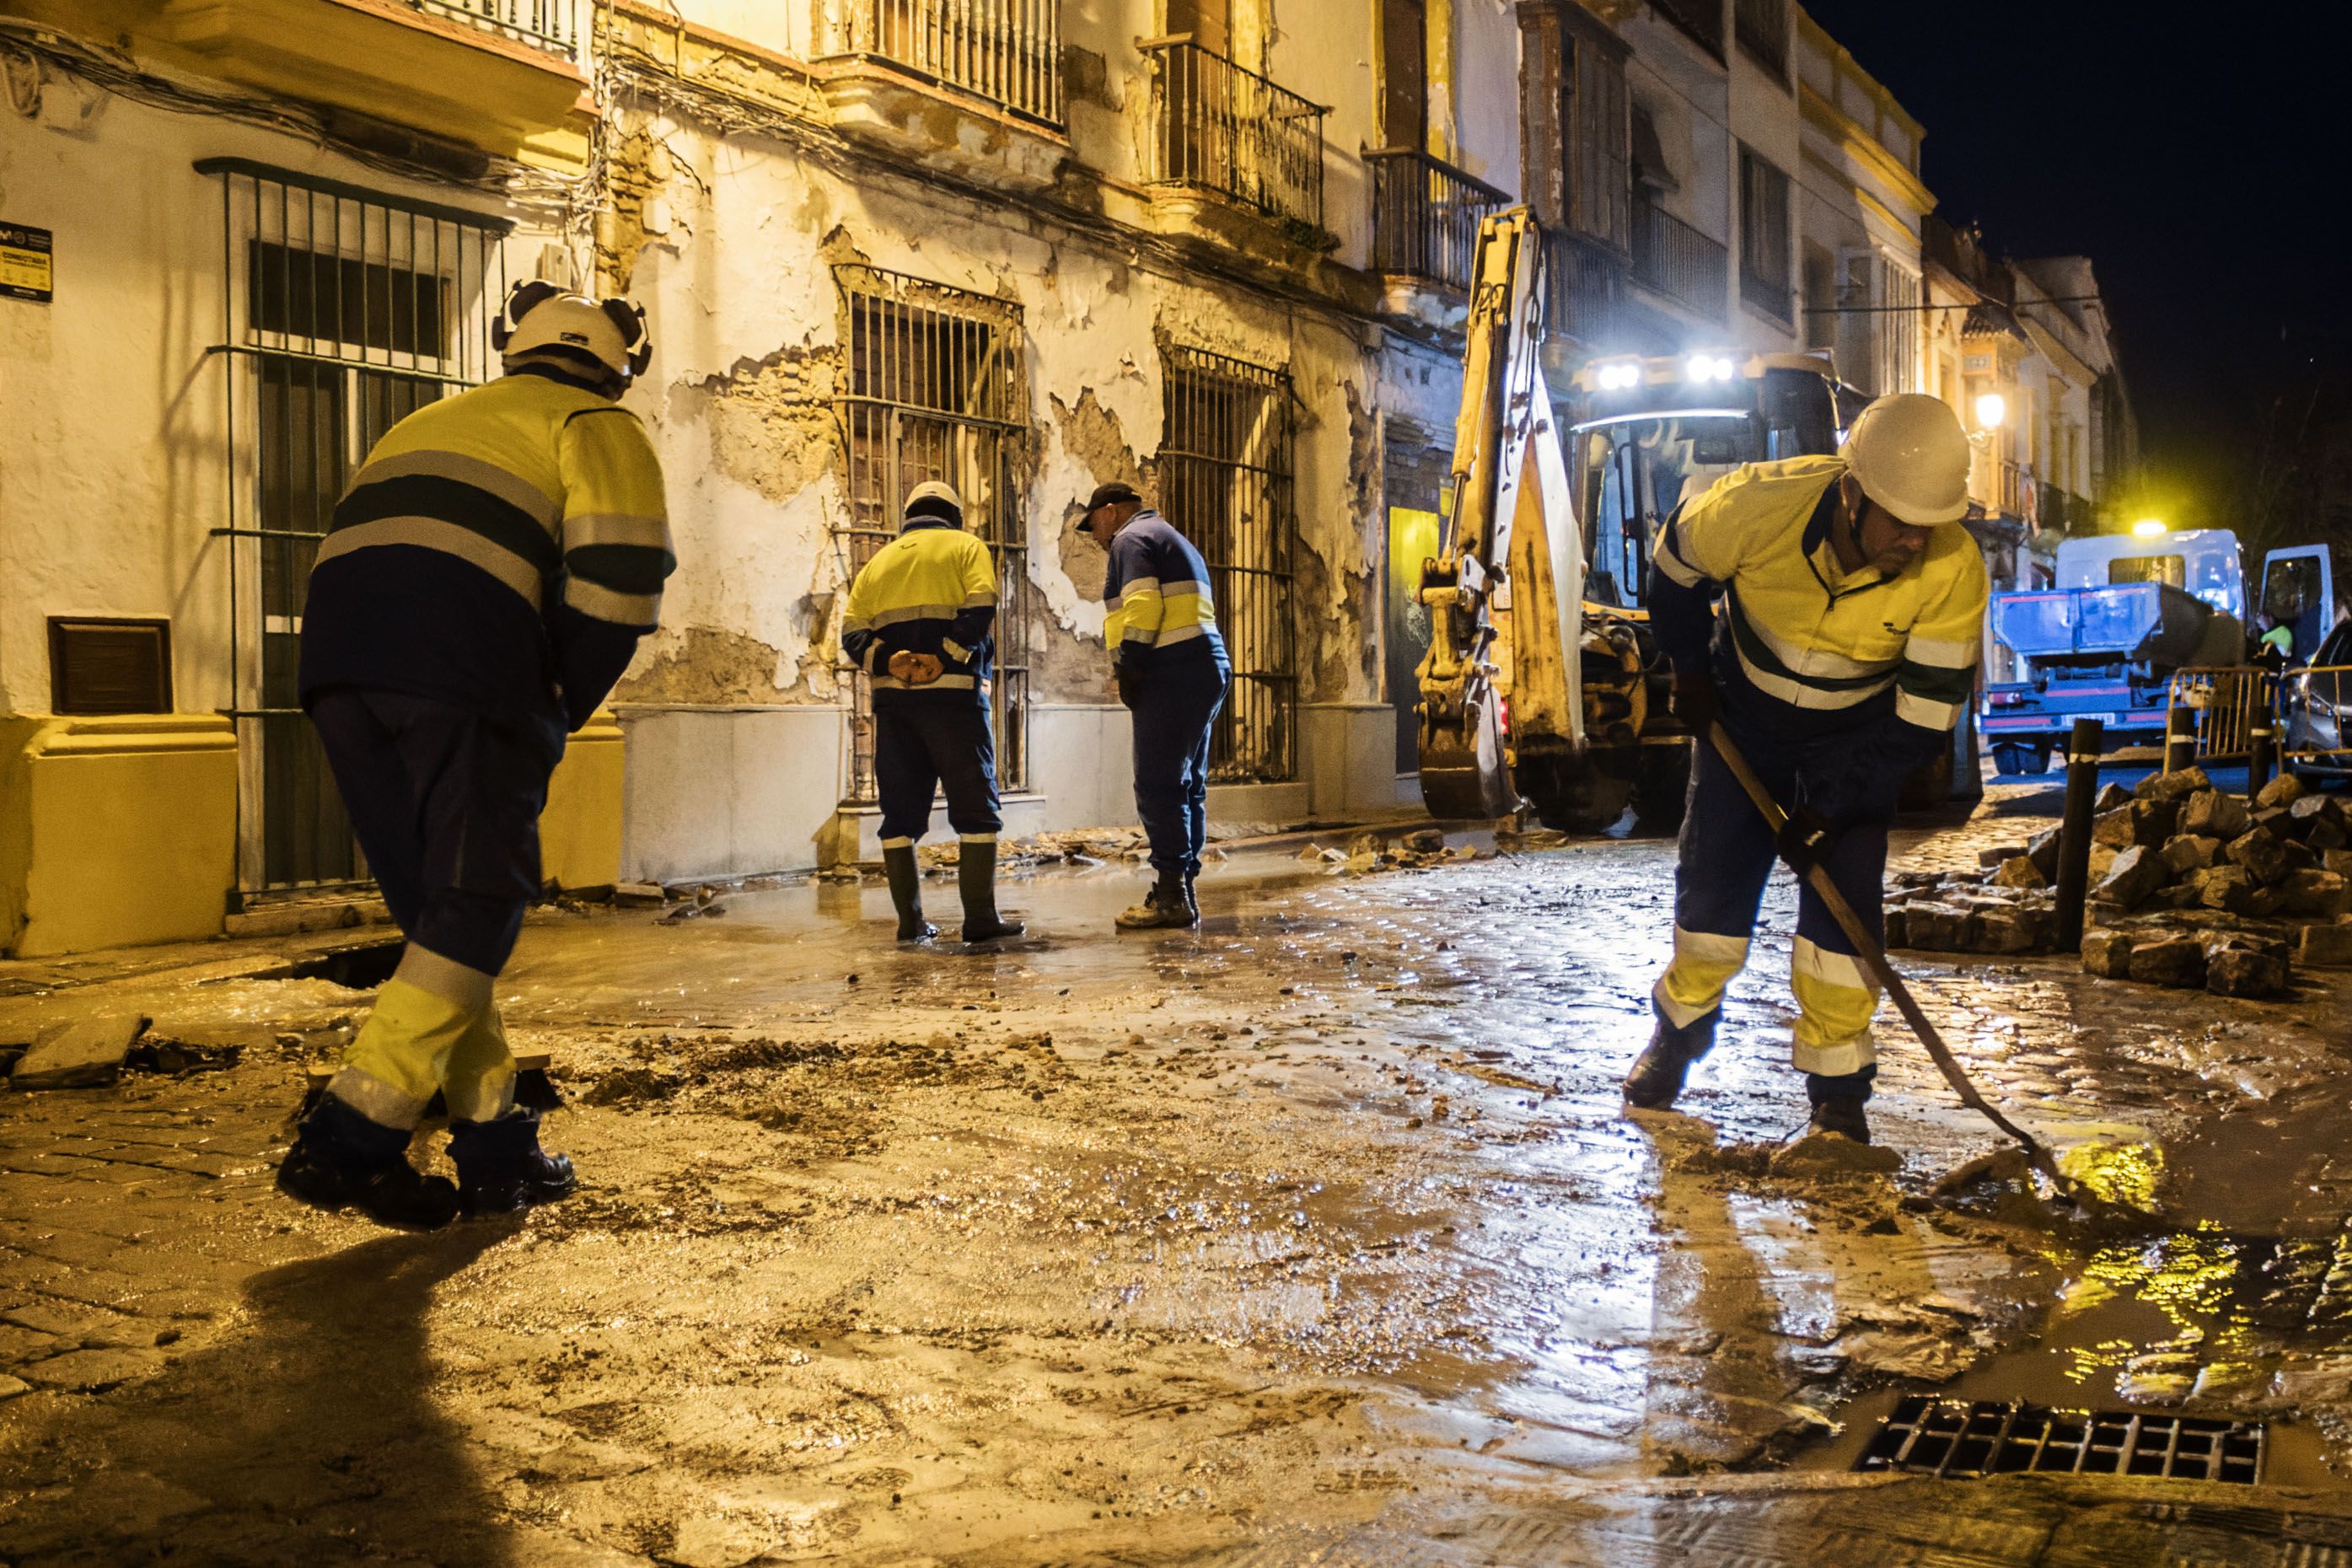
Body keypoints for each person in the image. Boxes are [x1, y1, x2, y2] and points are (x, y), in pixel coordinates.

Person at [277, 280, 675, 1230]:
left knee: (439, 918)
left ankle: (497, 1149)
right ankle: (353, 1138)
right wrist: (554, 706)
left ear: (512, 345)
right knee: (484, 898)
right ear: (624, 367)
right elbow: (620, 586)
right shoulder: (595, 423)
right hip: (463, 661)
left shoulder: (433, 417)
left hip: (337, 666)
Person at [1624, 393, 1990, 1145]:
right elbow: (1672, 574)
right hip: (1742, 727)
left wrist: (1837, 805)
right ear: (1851, 491)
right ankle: (1680, 1036)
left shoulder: (1954, 569)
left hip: (1856, 740)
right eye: (1899, 523)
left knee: (1842, 924)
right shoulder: (1755, 506)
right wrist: (1690, 671)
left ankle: (1838, 1095)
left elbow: (1922, 720)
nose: (1915, 543)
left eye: (1928, 528)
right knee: (1712, 897)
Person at [840, 481, 1024, 946]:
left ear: (909, 517)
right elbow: (982, 605)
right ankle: (979, 920)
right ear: (954, 516)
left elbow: (851, 633)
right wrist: (946, 654)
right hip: (954, 700)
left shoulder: (876, 564)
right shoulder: (967, 546)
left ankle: (911, 923)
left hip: (895, 703)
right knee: (976, 809)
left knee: (899, 815)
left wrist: (891, 662)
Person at [1077, 481, 1231, 930]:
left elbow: (1142, 605)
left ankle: (1171, 895)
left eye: (1094, 527)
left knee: (1158, 783)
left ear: (1110, 512)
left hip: (1172, 669)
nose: (1096, 538)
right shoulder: (1172, 537)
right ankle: (1182, 884)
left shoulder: (1131, 539)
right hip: (1205, 665)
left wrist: (1132, 666)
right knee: (1186, 785)